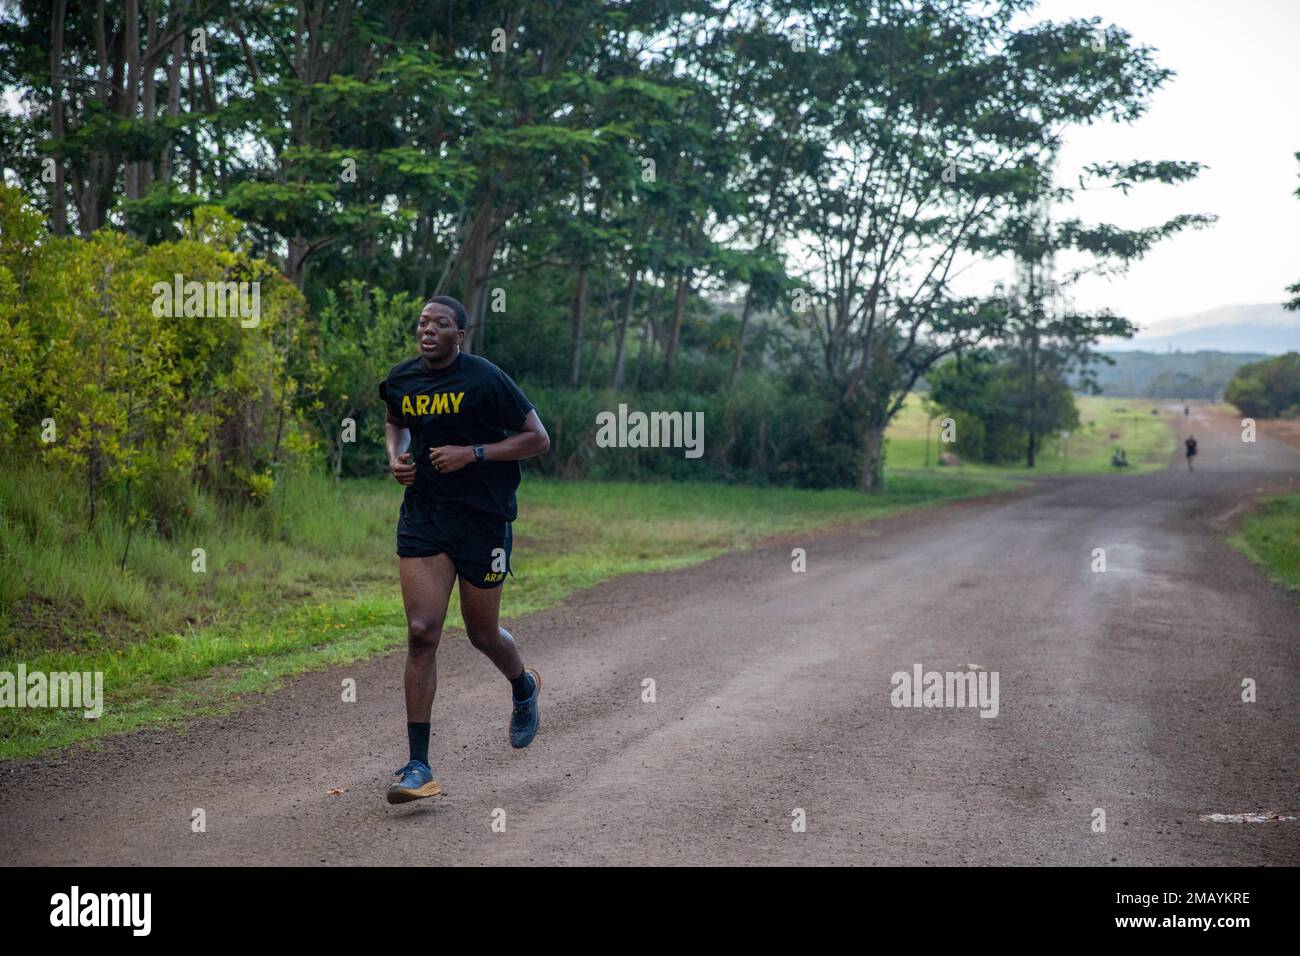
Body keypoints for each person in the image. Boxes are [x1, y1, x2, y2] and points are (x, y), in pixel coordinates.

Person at [378, 296, 551, 804]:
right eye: (423, 323)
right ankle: (418, 766)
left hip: (483, 520)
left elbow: (537, 439)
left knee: (480, 633)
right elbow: (395, 419)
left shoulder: (485, 379)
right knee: (422, 632)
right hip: (425, 516)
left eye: (441, 324)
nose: (428, 330)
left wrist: (473, 453)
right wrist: (395, 457)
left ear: (460, 335)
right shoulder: (402, 378)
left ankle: (522, 686)